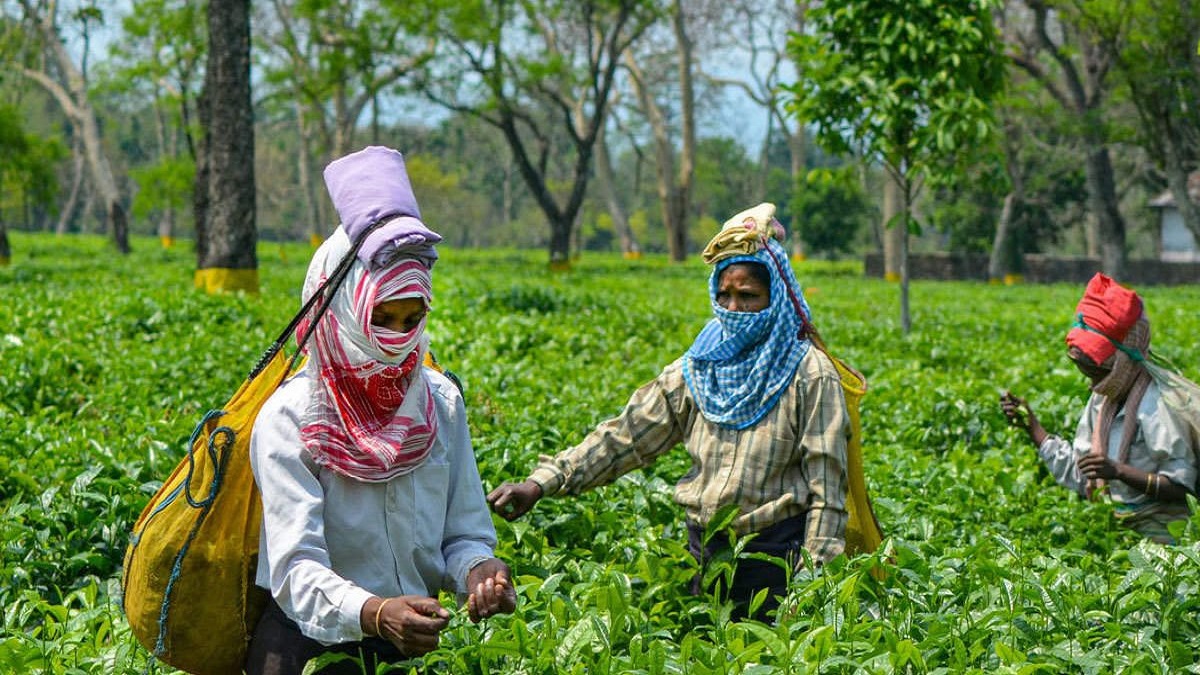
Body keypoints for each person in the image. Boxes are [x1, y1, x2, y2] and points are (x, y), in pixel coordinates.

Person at [487, 203, 849, 621]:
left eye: (748, 296)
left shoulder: (809, 374)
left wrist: (809, 587)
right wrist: (541, 483)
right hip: (703, 554)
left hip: (775, 561)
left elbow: (828, 495)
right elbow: (626, 437)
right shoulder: (698, 367)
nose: (733, 308)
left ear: (776, 297)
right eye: (724, 295)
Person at [246, 146, 516, 675]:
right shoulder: (292, 417)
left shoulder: (439, 402)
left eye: (411, 319)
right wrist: (372, 612)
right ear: (344, 308)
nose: (396, 339)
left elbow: (463, 532)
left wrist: (480, 571)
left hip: (410, 646)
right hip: (308, 652)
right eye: (382, 318)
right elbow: (295, 569)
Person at [1001, 273, 1199, 544]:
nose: (1092, 383)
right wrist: (1033, 428)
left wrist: (1118, 471)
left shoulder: (1158, 405)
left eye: (1097, 371)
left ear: (1123, 360)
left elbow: (1182, 489)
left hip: (1167, 540)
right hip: (1116, 532)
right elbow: (1085, 474)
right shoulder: (1104, 400)